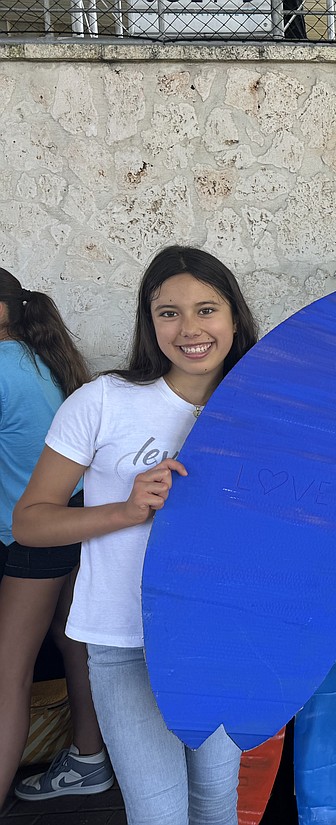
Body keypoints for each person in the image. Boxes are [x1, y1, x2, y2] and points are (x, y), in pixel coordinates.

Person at [12, 247, 336, 824]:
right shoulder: (102, 403)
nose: (189, 329)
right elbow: (30, 522)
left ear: (234, 318)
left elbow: (286, 534)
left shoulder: (284, 419)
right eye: (169, 312)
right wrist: (126, 509)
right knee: (158, 814)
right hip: (125, 643)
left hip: (231, 635)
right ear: (149, 322)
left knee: (216, 805)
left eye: (206, 309)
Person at [0, 268, 111, 805]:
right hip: (74, 515)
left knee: (8, 675)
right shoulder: (38, 356)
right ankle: (89, 760)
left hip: (32, 533)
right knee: (74, 643)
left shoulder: (0, 366)